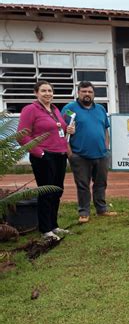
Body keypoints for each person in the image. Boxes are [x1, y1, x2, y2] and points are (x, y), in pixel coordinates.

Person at [17, 81, 75, 240]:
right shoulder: (30, 109)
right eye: (43, 91)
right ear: (36, 93)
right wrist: (40, 153)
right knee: (46, 192)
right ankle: (45, 229)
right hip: (44, 157)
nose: (47, 93)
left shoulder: (55, 109)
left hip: (60, 155)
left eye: (50, 90)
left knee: (57, 191)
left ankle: (54, 225)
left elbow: (58, 128)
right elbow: (22, 136)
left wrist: (68, 129)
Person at [61, 81, 117, 223]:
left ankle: (101, 209)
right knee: (83, 185)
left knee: (100, 183)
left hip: (101, 155)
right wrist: (70, 154)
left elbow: (105, 129)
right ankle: (84, 212)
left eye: (90, 92)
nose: (87, 94)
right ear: (78, 93)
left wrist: (106, 148)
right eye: (84, 91)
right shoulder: (69, 109)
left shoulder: (100, 109)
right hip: (79, 156)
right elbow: (61, 131)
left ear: (93, 94)